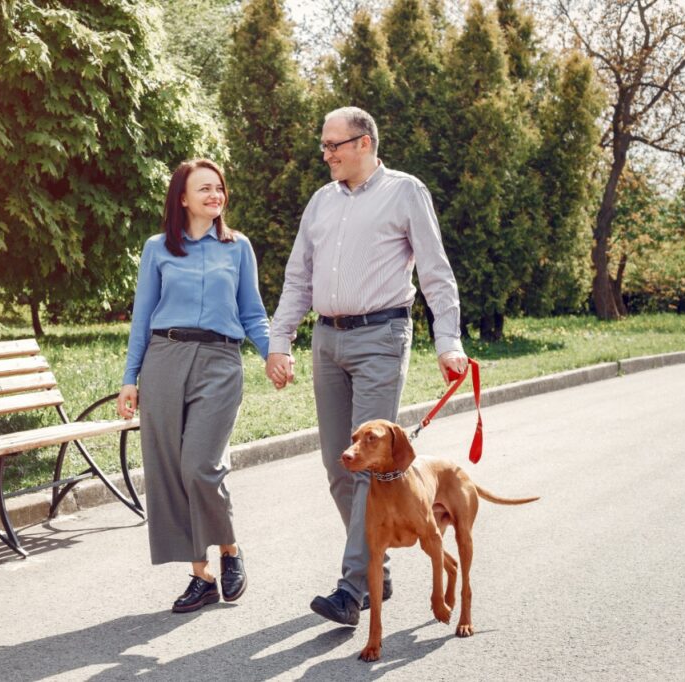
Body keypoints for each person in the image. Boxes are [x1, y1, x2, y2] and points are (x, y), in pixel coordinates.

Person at [265, 107, 469, 626]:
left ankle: (353, 588)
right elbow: (298, 277)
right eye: (324, 145)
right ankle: (376, 565)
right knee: (343, 465)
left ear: (366, 143)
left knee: (371, 468)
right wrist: (280, 340)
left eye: (336, 144)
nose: (327, 153)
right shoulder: (320, 202)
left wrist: (448, 340)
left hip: (382, 335)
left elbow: (435, 271)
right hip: (327, 340)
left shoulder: (404, 192)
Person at [117, 158, 278, 613]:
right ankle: (201, 575)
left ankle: (229, 549)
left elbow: (252, 312)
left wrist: (271, 353)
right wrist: (130, 378)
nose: (214, 195)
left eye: (219, 188)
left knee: (200, 466)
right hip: (164, 358)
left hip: (220, 361)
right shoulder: (158, 248)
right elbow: (142, 318)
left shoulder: (237, 247)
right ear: (182, 198)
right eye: (204, 188)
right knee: (169, 470)